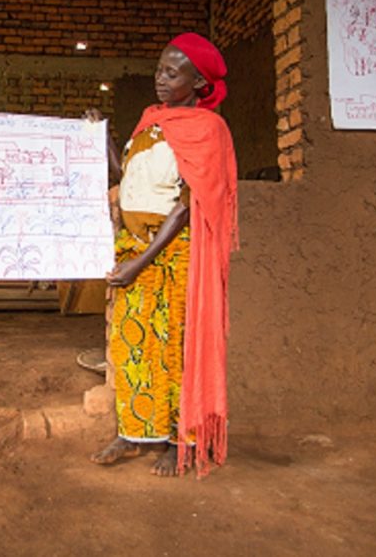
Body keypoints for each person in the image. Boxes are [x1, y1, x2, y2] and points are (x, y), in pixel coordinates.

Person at [87, 32, 238, 478]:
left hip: (171, 256)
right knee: (133, 344)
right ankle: (134, 432)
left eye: (173, 72)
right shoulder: (151, 121)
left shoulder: (208, 130)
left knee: (174, 348)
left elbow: (187, 206)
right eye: (159, 69)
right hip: (135, 249)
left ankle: (179, 440)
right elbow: (125, 177)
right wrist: (105, 137)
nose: (160, 79)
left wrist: (142, 260)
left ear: (198, 83)